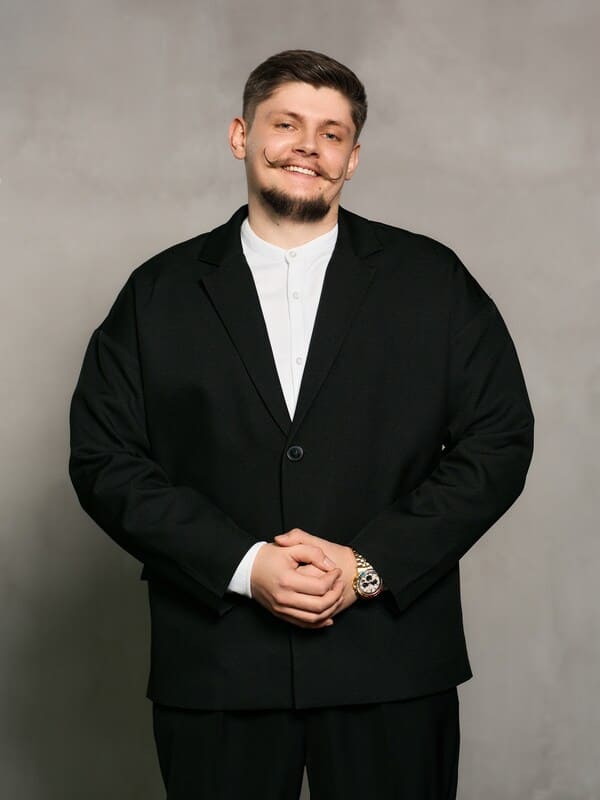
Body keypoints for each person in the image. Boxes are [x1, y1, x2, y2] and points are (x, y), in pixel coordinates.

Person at [68, 49, 535, 799]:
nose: (308, 148)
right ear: (241, 136)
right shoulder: (157, 293)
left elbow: (499, 440)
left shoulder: (433, 280)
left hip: (391, 663)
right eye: (286, 124)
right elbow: (104, 458)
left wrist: (367, 565)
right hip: (218, 668)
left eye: (331, 133)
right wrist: (245, 564)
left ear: (353, 157)